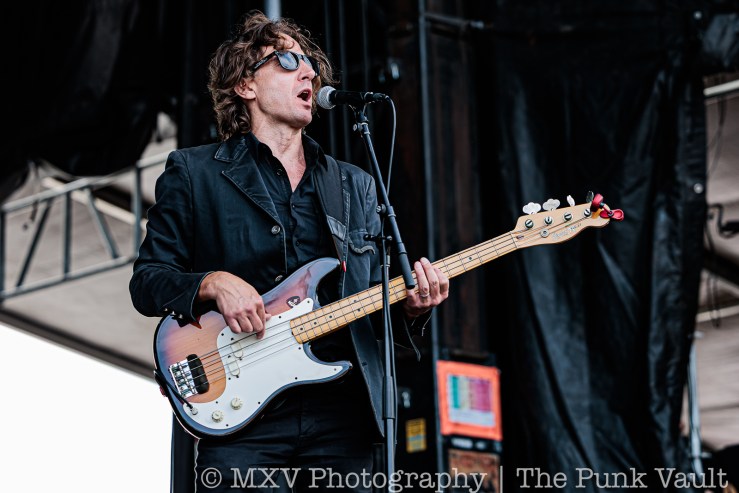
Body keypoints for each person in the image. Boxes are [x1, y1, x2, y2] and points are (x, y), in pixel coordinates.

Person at [129, 10, 449, 493]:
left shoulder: (355, 185)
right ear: (245, 85)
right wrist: (212, 283)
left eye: (310, 64)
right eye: (286, 60)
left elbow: (370, 297)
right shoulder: (194, 173)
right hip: (242, 416)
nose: (308, 73)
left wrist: (412, 308)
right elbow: (148, 281)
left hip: (343, 413)